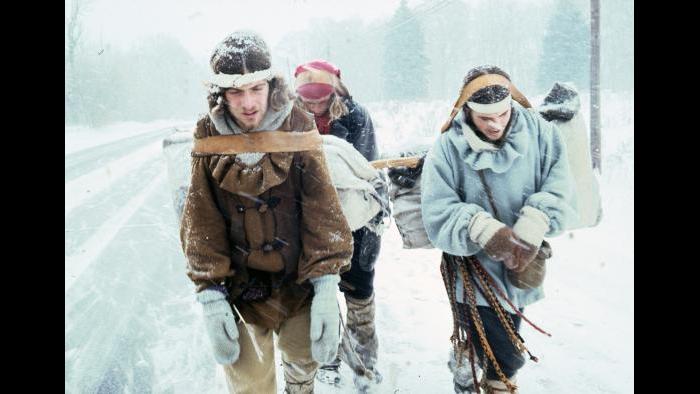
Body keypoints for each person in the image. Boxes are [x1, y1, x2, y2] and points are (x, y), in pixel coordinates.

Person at [179, 31, 354, 394]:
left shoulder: (298, 124)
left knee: (304, 361)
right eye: (235, 92)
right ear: (220, 95)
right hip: (240, 288)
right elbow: (201, 218)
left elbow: (322, 209)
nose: (247, 103)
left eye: (255, 89)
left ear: (271, 85)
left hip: (297, 281)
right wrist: (210, 293)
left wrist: (325, 285)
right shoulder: (207, 132)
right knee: (250, 385)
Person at [420, 65, 577, 393]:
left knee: (504, 336)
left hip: (521, 260)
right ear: (466, 110)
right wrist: (481, 228)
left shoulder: (541, 133)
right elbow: (437, 210)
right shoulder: (447, 148)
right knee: (502, 354)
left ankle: (472, 365)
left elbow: (560, 183)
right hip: (471, 266)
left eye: (502, 114)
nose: (495, 124)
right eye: (484, 118)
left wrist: (535, 223)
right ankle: (481, 376)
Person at [294, 59, 384, 391]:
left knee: (359, 293)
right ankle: (327, 358)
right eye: (307, 94)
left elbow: (364, 169)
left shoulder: (356, 117)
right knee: (319, 292)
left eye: (321, 93)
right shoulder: (289, 120)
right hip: (307, 225)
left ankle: (364, 364)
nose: (314, 101)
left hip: (358, 220)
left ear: (335, 89)